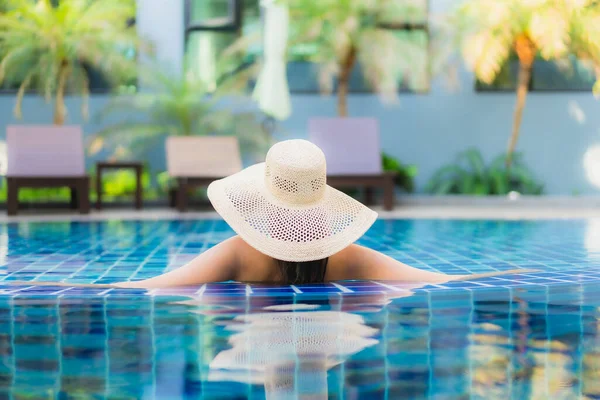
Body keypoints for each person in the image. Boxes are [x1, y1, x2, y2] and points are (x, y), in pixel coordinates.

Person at [17, 140, 533, 289]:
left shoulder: (240, 255)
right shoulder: (346, 258)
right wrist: (496, 273)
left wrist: (62, 286)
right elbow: (430, 279)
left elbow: (155, 287)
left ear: (262, 200)